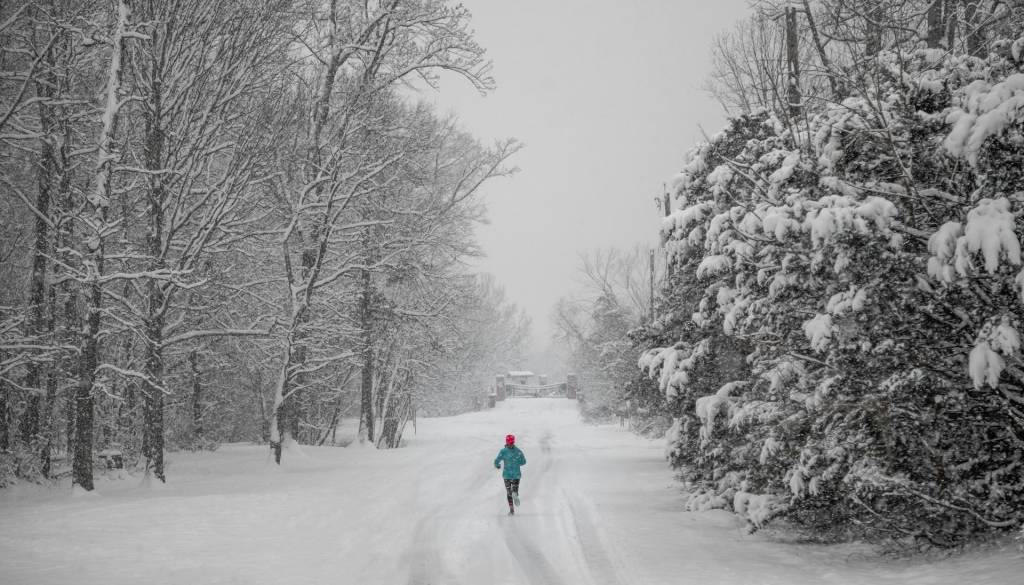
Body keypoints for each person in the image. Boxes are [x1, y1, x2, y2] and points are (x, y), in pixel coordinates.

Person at [494, 434, 526, 515]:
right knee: (515, 490)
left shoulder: (503, 451)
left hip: (507, 475)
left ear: (506, 442)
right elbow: (524, 461)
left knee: (508, 492)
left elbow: (497, 460)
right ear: (513, 441)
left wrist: (497, 465)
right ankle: (515, 493)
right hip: (516, 475)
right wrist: (517, 462)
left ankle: (511, 509)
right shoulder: (518, 451)